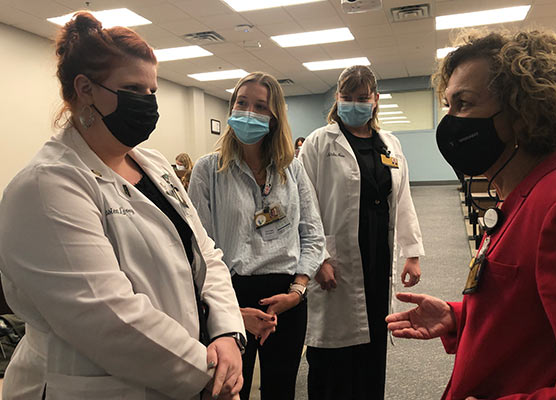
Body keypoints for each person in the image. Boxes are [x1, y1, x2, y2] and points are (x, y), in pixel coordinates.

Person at [0, 12, 246, 400]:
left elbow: (207, 255)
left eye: (152, 92)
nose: (147, 103)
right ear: (85, 88)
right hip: (98, 387)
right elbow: (107, 316)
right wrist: (208, 372)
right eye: (133, 89)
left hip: (189, 368)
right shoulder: (46, 186)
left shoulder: (155, 165)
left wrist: (228, 334)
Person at [386, 30, 556, 399]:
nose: (451, 122)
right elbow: (529, 316)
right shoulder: (526, 193)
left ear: (523, 110)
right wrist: (459, 316)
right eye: (448, 105)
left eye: (463, 104)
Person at [188, 72, 325, 400]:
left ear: (274, 116)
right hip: (231, 297)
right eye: (241, 103)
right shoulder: (209, 171)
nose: (248, 112)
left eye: (260, 106)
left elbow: (313, 233)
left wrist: (297, 291)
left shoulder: (292, 169)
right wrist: (232, 311)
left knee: (282, 390)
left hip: (288, 297)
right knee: (230, 389)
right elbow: (198, 247)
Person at [298, 65, 424, 400]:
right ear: (337, 100)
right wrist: (318, 258)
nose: (354, 104)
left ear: (375, 100)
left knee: (372, 343)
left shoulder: (390, 144)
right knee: (332, 354)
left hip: (376, 256)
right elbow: (303, 204)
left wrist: (410, 253)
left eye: (362, 98)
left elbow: (403, 197)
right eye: (347, 97)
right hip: (335, 259)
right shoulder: (318, 143)